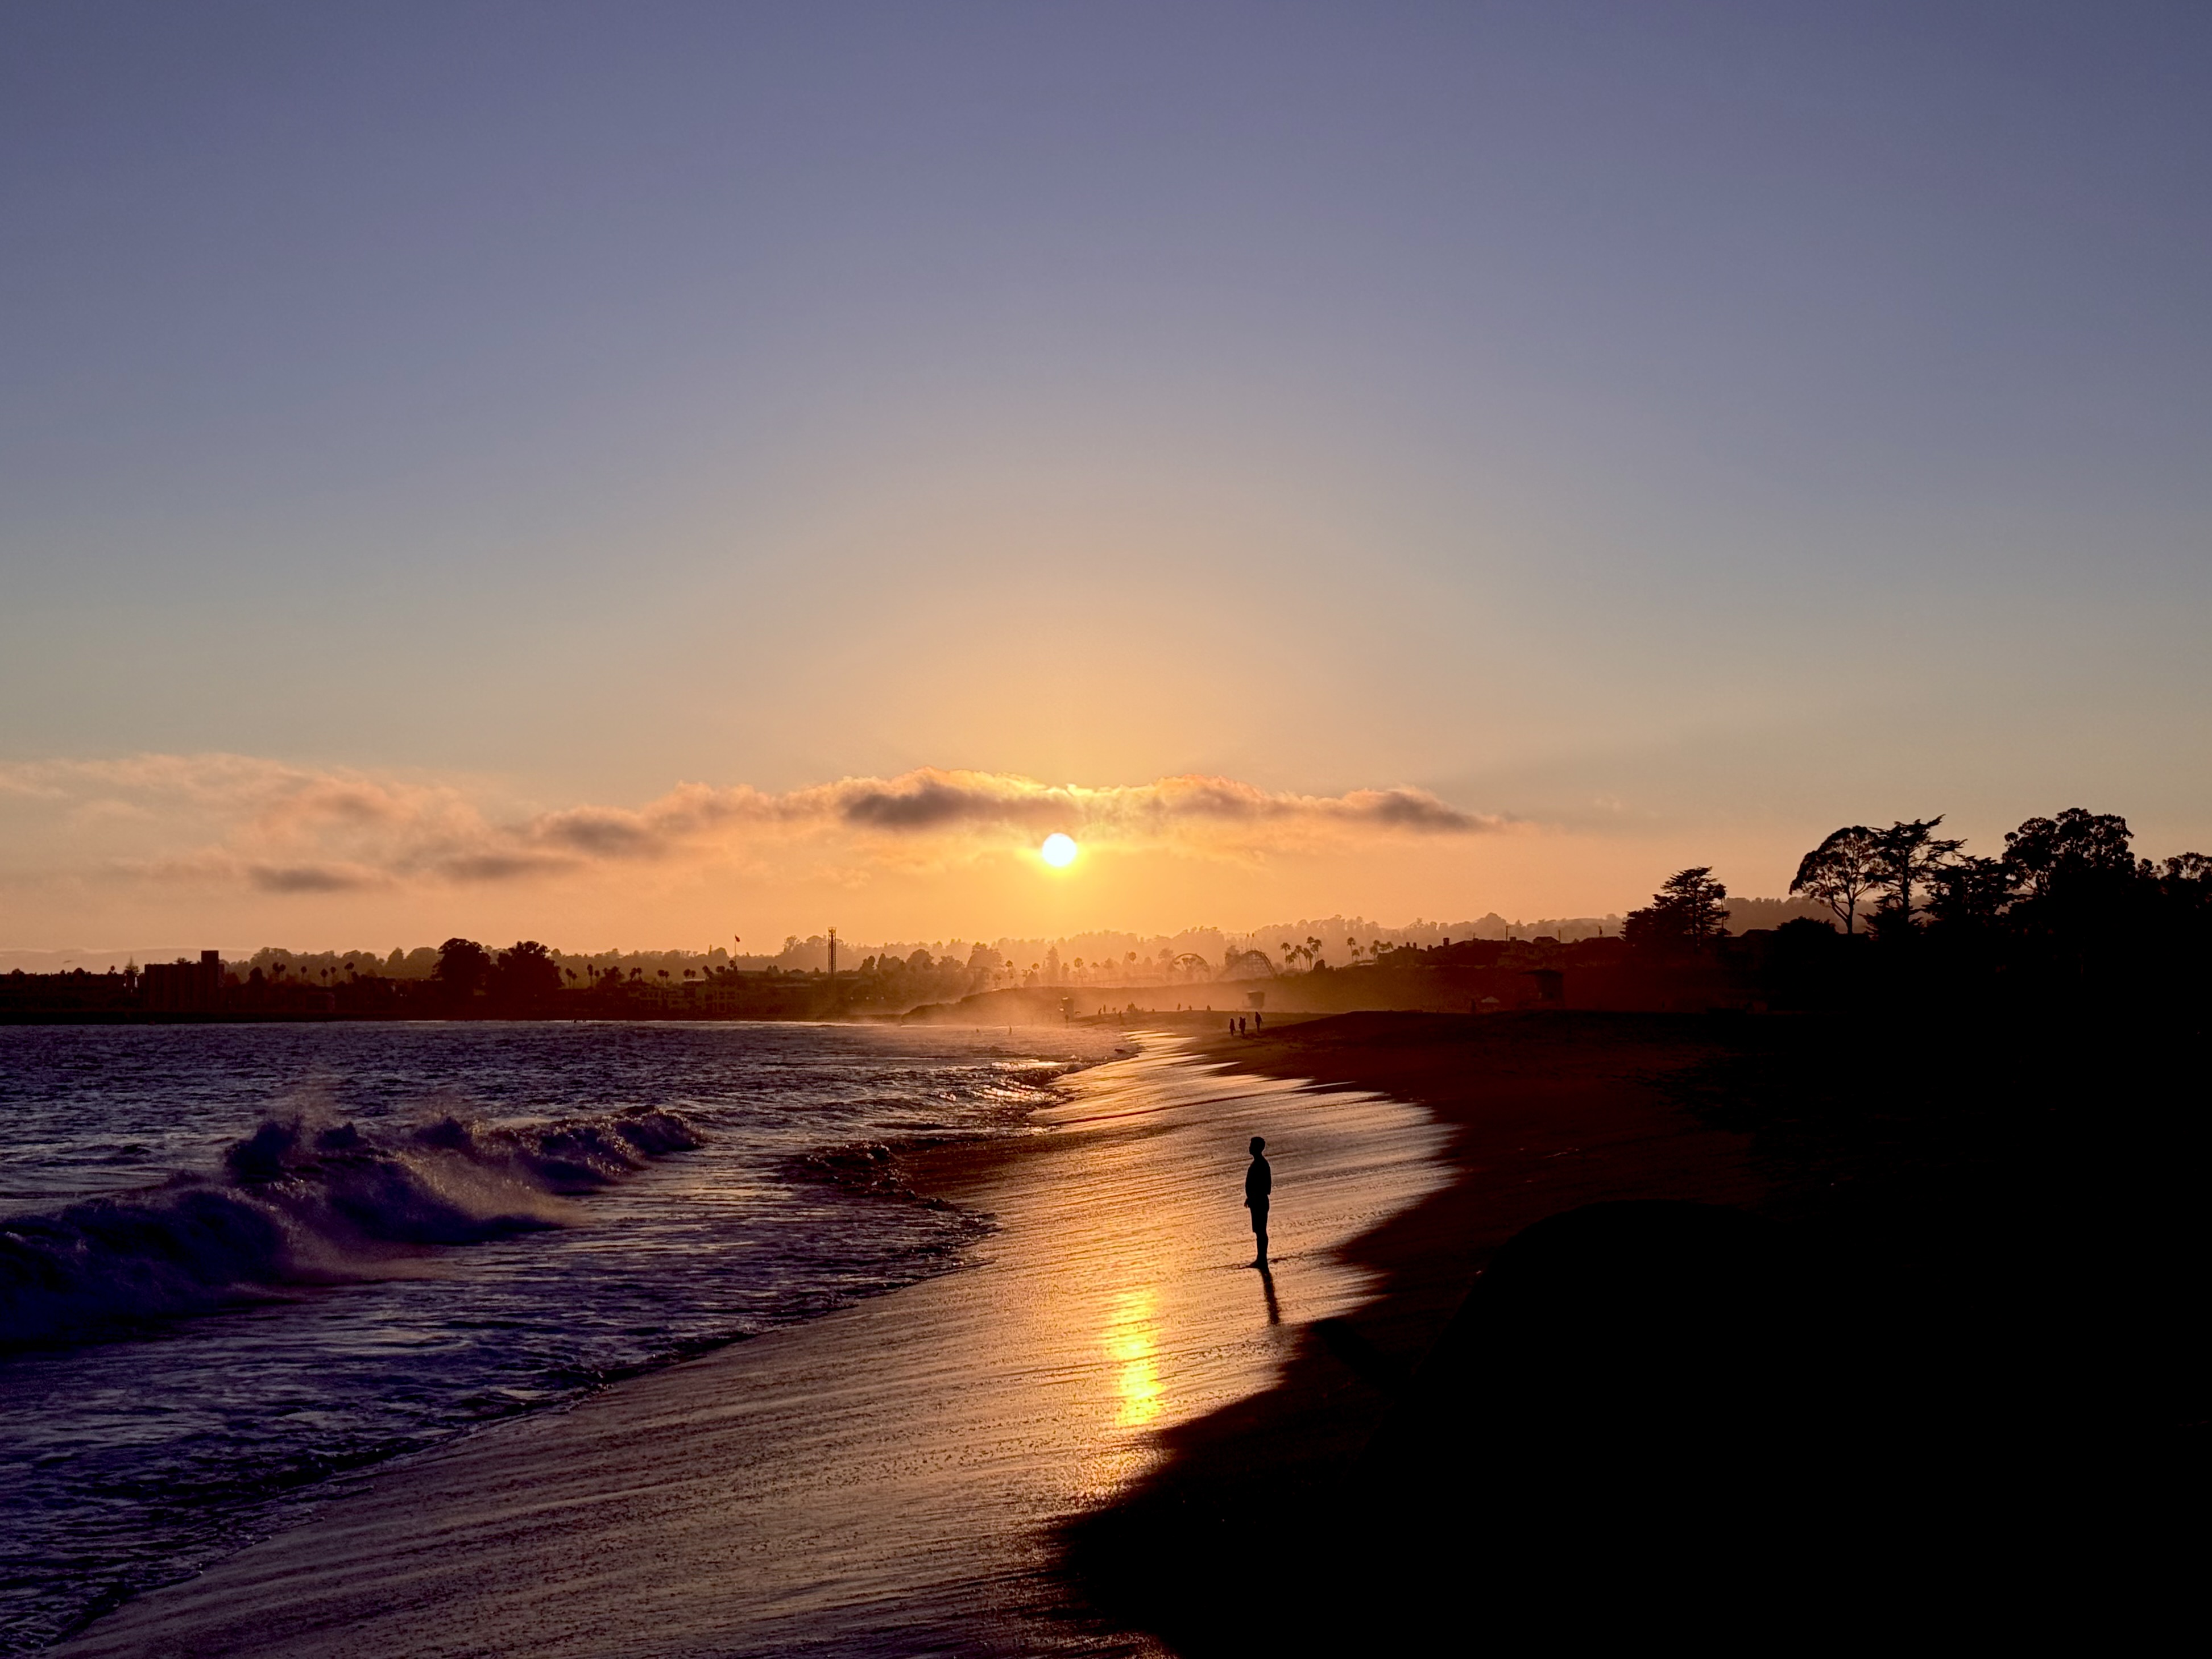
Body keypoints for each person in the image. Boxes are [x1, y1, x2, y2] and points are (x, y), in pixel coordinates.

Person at [1244, 1135, 1272, 1266]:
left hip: (1260, 1202)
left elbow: (1265, 1187)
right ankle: (1261, 1258)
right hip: (1257, 1201)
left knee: (1261, 1231)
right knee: (1259, 1231)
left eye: (1252, 1145)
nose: (1249, 1148)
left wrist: (1254, 1197)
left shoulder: (1261, 1164)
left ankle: (1262, 1259)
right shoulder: (1258, 1164)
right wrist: (1250, 1198)